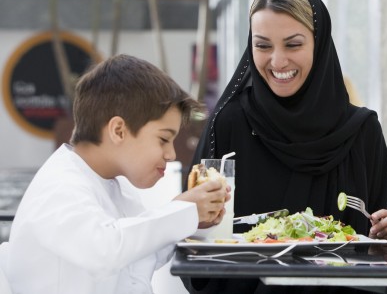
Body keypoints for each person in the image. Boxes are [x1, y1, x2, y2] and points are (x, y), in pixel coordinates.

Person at [187, 0, 387, 294]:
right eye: (262, 45)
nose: (277, 61)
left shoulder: (362, 131)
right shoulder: (229, 123)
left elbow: (373, 246)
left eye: (293, 44)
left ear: (320, 43)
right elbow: (200, 247)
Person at [7, 54, 229, 294]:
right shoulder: (59, 186)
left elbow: (143, 250)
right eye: (163, 139)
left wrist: (195, 220)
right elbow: (105, 250)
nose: (171, 154)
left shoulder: (110, 184)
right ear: (119, 130)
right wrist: (183, 210)